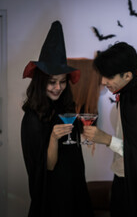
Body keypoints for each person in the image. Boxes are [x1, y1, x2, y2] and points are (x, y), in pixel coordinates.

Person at [82, 42, 137, 217]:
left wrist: (105, 139)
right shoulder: (128, 95)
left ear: (127, 75)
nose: (103, 81)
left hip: (135, 185)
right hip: (123, 176)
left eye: (109, 76)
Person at [21, 20, 93, 217]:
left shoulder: (66, 108)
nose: (58, 88)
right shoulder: (32, 118)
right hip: (54, 199)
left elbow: (74, 153)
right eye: (52, 82)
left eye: (62, 82)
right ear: (41, 81)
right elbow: (48, 167)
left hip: (76, 191)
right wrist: (53, 138)